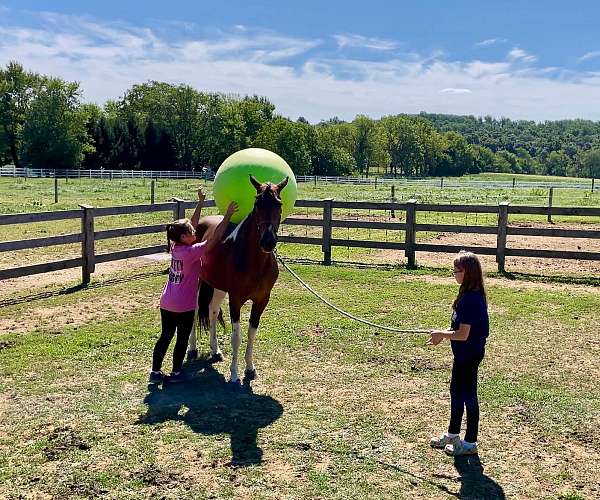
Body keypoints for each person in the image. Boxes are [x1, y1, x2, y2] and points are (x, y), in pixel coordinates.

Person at [149, 189, 237, 384]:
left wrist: (200, 203)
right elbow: (214, 240)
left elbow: (192, 223)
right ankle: (177, 373)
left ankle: (155, 372)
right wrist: (228, 215)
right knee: (181, 340)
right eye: (191, 232)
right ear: (183, 237)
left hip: (167, 302)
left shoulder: (175, 247)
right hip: (184, 306)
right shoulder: (192, 252)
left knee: (165, 337)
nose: (194, 231)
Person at [427, 251, 489, 456]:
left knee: (468, 395)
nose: (454, 273)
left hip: (469, 354)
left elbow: (463, 334)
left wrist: (441, 335)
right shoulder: (466, 293)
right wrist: (442, 334)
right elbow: (459, 327)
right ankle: (453, 434)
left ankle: (470, 443)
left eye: (457, 270)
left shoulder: (470, 299)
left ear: (468, 273)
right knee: (456, 391)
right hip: (462, 354)